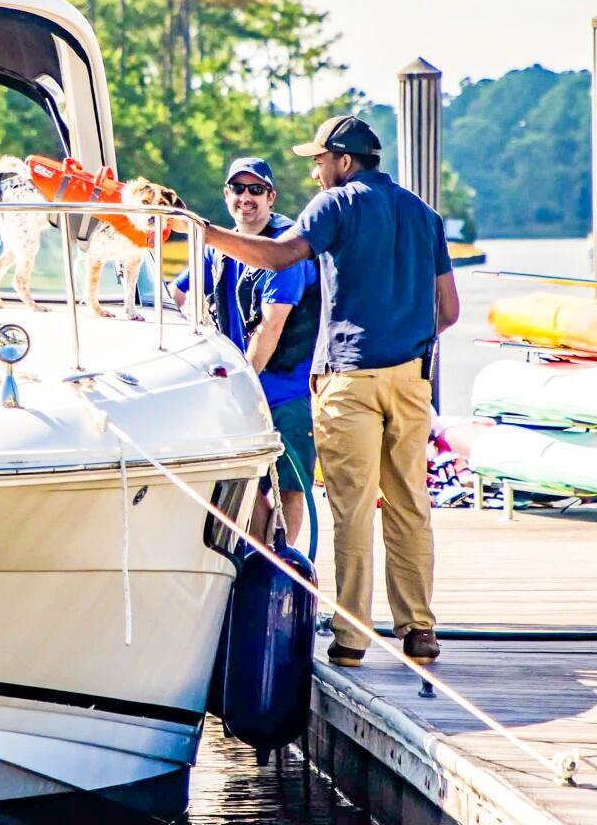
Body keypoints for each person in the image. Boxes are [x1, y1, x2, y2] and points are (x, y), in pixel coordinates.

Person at [179, 115, 460, 668]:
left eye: (318, 160)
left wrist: (204, 232)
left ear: (344, 160)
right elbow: (449, 311)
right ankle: (419, 629)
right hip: (412, 378)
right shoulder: (424, 214)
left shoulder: (335, 205)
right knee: (410, 504)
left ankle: (352, 639)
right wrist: (405, 336)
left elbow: (278, 256)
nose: (313, 171)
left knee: (351, 507)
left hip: (348, 379)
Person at [171, 157, 320, 542]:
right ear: (226, 195)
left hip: (287, 390)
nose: (246, 198)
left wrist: (243, 386)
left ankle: (281, 561)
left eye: (256, 190)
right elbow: (178, 292)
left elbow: (271, 327)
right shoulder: (219, 247)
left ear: (271, 197)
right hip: (238, 387)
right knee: (240, 479)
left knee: (290, 484)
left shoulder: (283, 250)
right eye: (238, 189)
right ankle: (261, 552)